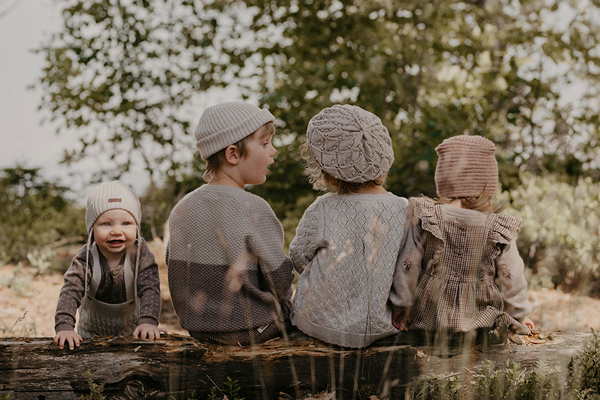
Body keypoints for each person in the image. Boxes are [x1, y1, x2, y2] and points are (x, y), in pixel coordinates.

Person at [289, 104, 418, 348]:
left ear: (327, 167)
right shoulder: (404, 208)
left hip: (316, 323)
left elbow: (298, 258)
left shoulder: (323, 208)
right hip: (378, 327)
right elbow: (407, 271)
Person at [166, 101, 294, 346]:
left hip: (200, 331)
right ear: (233, 154)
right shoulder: (254, 208)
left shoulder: (182, 207)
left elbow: (176, 270)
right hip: (254, 330)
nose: (273, 151)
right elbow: (280, 281)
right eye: (265, 143)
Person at [392, 135, 535, 345]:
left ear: (442, 178)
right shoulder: (498, 227)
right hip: (481, 322)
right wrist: (520, 315)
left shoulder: (426, 216)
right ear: (488, 182)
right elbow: (511, 277)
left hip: (428, 320)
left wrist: (402, 307)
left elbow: (409, 265)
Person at [54, 180, 163, 350]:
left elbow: (150, 288)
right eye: (106, 224)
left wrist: (148, 322)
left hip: (133, 334)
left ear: (137, 227)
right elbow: (70, 290)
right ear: (92, 228)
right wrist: (65, 327)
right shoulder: (87, 257)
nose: (117, 231)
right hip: (90, 336)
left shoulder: (140, 254)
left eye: (126, 223)